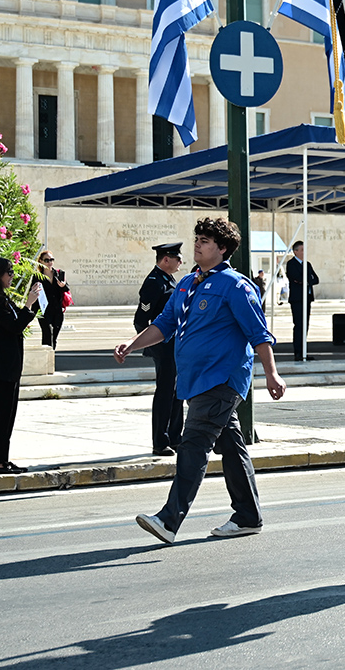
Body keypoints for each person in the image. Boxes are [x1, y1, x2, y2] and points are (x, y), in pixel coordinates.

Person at [114, 217, 286, 544]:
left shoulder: (236, 286)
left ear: (222, 249)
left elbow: (258, 333)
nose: (197, 244)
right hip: (194, 380)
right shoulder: (186, 284)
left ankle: (169, 519)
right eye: (197, 238)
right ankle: (248, 515)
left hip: (221, 378)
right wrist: (132, 344)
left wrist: (271, 372)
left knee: (193, 442)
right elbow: (164, 324)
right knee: (231, 446)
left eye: (205, 241)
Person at [0, 256, 43, 475]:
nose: (12, 276)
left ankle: (2, 460)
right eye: (9, 272)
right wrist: (29, 304)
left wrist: (31, 306)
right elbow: (14, 326)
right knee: (0, 415)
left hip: (9, 365)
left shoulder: (2, 298)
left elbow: (18, 322)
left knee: (7, 414)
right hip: (0, 365)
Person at [135, 242, 184, 456]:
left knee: (176, 392)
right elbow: (141, 319)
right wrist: (152, 345)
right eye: (177, 258)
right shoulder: (154, 282)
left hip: (174, 345)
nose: (181, 262)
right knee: (165, 393)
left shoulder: (168, 280)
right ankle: (160, 441)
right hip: (163, 347)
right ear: (166, 259)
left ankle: (175, 437)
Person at [285, 240, 318, 361]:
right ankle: (297, 352)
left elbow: (315, 279)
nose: (304, 252)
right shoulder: (291, 264)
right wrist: (306, 280)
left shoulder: (307, 264)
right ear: (295, 251)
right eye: (302, 250)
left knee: (305, 325)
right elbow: (296, 278)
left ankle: (304, 350)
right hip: (297, 299)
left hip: (307, 298)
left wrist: (306, 281)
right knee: (298, 325)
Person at [30, 250, 68, 348]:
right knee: (47, 334)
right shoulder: (37, 276)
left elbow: (66, 288)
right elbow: (33, 293)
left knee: (54, 337)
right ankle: (45, 359)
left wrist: (63, 285)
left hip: (57, 310)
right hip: (43, 310)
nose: (50, 262)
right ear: (41, 261)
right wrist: (32, 312)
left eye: (51, 260)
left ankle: (51, 358)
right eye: (47, 260)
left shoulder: (59, 274)